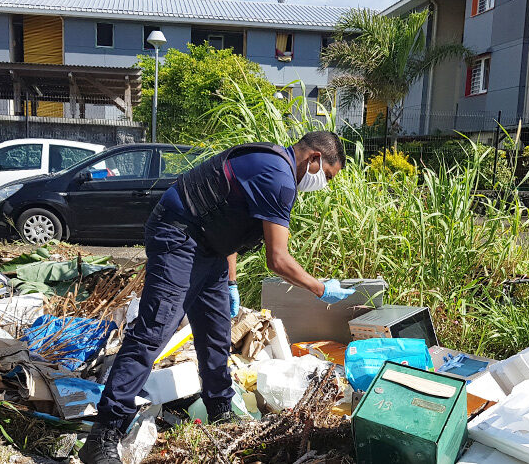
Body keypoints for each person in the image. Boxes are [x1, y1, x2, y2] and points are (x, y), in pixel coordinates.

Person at [79, 131, 356, 464]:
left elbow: (229, 219)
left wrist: (230, 282)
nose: (322, 184)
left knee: (215, 332)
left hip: (209, 246)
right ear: (313, 158)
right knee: (155, 329)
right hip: (178, 234)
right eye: (326, 175)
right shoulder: (279, 177)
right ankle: (104, 435)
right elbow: (278, 259)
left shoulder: (273, 163)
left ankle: (221, 412)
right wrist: (320, 288)